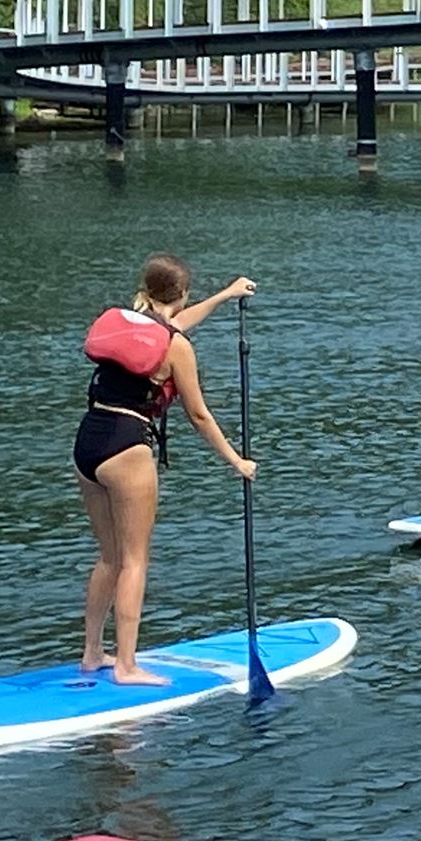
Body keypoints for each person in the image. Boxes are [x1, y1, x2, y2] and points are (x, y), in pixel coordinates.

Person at [75, 256, 257, 684]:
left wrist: (226, 294)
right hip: (126, 447)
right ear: (183, 294)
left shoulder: (130, 322)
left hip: (88, 442)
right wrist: (236, 461)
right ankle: (126, 665)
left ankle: (92, 653)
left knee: (109, 557)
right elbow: (198, 415)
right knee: (134, 560)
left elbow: (174, 324)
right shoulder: (177, 347)